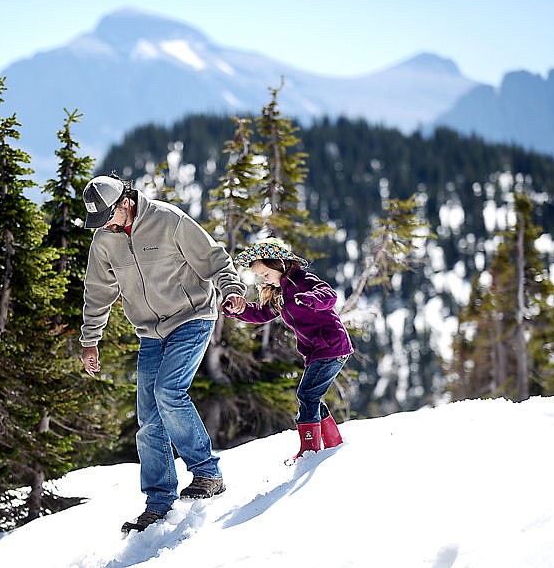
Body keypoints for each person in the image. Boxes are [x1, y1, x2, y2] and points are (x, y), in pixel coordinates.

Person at [79, 174, 247, 533]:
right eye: (99, 222)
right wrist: (90, 339)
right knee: (149, 419)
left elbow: (214, 259)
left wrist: (231, 288)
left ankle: (207, 474)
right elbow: (97, 292)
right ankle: (158, 503)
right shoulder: (104, 239)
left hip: (192, 317)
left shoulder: (168, 219)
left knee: (168, 391)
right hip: (150, 332)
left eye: (108, 216)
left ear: (125, 202)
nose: (105, 225)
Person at [222, 237, 353, 465]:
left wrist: (312, 299)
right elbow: (262, 314)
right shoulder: (279, 292)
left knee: (307, 395)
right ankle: (333, 442)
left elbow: (329, 295)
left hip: (331, 345)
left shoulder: (301, 280)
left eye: (265, 274)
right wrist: (238, 310)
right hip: (317, 351)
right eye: (260, 277)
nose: (264, 279)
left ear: (278, 264)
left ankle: (310, 449)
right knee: (311, 396)